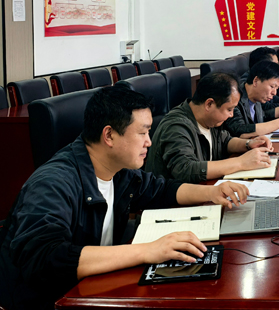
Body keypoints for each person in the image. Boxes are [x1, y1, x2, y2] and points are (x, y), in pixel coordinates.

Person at [0, 86, 251, 310]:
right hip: (50, 300)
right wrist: (148, 250)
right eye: (143, 133)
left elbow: (161, 190)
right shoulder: (53, 183)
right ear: (109, 135)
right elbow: (45, 258)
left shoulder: (118, 171)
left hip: (93, 286)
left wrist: (212, 192)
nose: (149, 142)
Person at [145, 72, 274, 183]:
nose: (231, 115)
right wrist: (241, 162)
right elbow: (186, 169)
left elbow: (225, 141)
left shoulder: (209, 120)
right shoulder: (176, 126)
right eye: (229, 109)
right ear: (209, 104)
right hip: (173, 201)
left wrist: (249, 144)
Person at [224, 60, 279, 137]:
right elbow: (240, 130)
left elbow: (265, 115)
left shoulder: (257, 98)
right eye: (272, 87)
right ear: (256, 81)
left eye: (276, 88)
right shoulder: (235, 98)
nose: (274, 93)